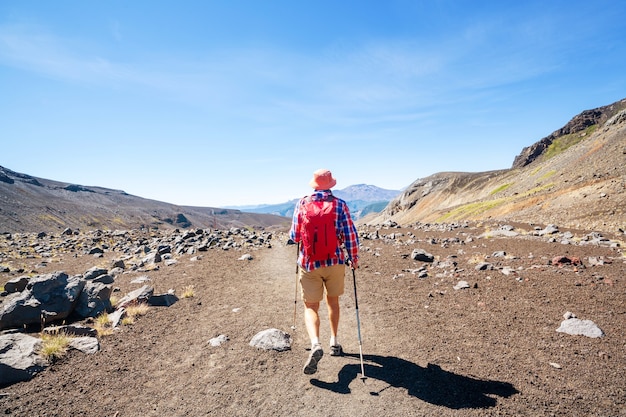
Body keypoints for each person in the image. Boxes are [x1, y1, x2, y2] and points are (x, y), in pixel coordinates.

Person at [289, 168, 359, 375]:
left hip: (309, 263)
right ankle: (334, 343)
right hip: (335, 261)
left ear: (314, 185)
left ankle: (315, 344)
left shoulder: (302, 203)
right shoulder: (340, 205)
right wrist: (353, 259)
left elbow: (295, 236)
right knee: (333, 301)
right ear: (331, 186)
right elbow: (350, 235)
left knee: (311, 306)